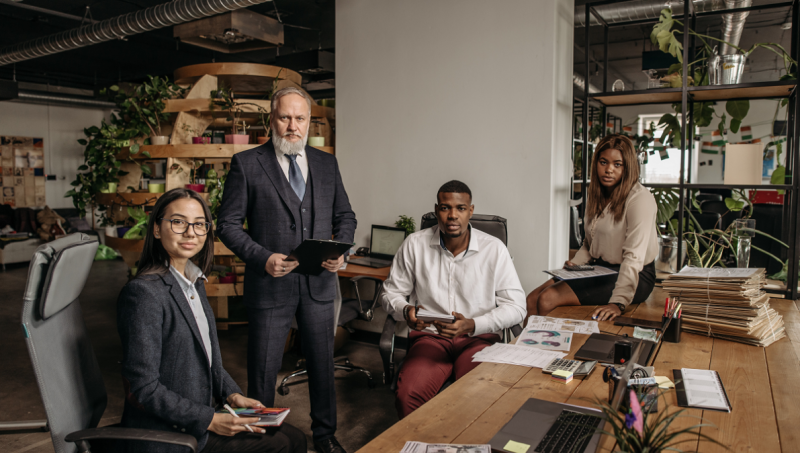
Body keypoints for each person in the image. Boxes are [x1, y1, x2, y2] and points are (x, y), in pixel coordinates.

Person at [217, 87, 356, 453]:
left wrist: (340, 251)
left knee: (323, 367)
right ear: (271, 120)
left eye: (300, 118)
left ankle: (325, 436)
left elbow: (346, 216)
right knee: (262, 369)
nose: (293, 126)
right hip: (269, 286)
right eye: (285, 117)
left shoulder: (327, 164)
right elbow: (227, 224)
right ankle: (264, 440)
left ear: (309, 122)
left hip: (319, 286)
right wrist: (262, 257)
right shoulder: (247, 163)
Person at [117, 188, 306, 453]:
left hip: (201, 411)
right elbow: (144, 389)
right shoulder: (144, 294)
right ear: (157, 229)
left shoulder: (194, 283)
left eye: (199, 224)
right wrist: (211, 420)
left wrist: (233, 394)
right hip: (169, 432)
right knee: (279, 446)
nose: (191, 233)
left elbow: (208, 361)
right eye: (178, 222)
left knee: (294, 438)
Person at [380, 180, 526, 419]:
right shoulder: (414, 245)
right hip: (430, 339)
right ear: (437, 210)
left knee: (479, 395)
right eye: (445, 208)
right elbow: (390, 294)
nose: (452, 215)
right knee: (408, 395)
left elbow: (517, 307)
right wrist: (406, 310)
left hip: (477, 340)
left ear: (471, 211)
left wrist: (473, 324)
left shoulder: (494, 250)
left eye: (460, 208)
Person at [526, 134, 658, 321]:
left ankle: (548, 348)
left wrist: (618, 302)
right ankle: (524, 350)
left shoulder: (640, 199)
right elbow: (589, 243)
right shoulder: (597, 194)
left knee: (547, 299)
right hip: (600, 268)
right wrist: (576, 264)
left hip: (635, 275)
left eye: (617, 164)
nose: (609, 170)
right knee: (532, 299)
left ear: (628, 167)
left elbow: (634, 257)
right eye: (603, 162)